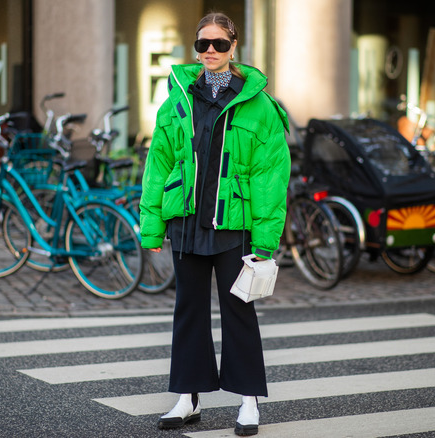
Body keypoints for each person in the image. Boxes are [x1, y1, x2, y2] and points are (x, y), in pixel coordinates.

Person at [139, 11, 291, 437]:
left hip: (233, 226)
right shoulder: (179, 99)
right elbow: (159, 163)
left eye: (219, 44)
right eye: (202, 43)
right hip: (186, 223)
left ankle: (247, 402)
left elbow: (271, 177)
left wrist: (265, 238)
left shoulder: (258, 106)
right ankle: (187, 399)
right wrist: (152, 226)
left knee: (238, 311)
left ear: (233, 47)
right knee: (188, 311)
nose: (209, 51)